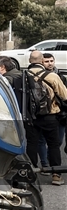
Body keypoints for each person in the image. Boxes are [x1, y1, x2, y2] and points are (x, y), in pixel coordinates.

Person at [24, 50, 67, 186]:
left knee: (32, 144)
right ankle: (56, 175)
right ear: (42, 60)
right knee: (54, 145)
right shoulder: (52, 76)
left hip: (30, 117)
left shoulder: (22, 76)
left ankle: (30, 174)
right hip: (50, 116)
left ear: (30, 61)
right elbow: (65, 96)